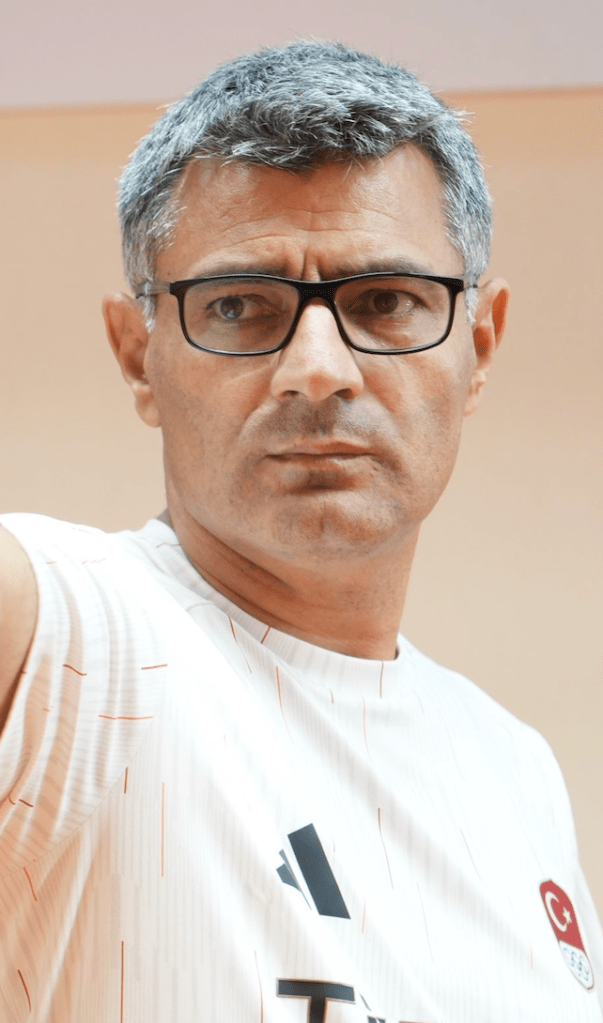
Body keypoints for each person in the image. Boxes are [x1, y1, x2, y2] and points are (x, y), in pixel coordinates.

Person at [0, 40, 600, 1023]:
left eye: (386, 302)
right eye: (239, 306)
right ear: (138, 355)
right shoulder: (81, 648)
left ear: (479, 346)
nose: (318, 369)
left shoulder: (515, 769)